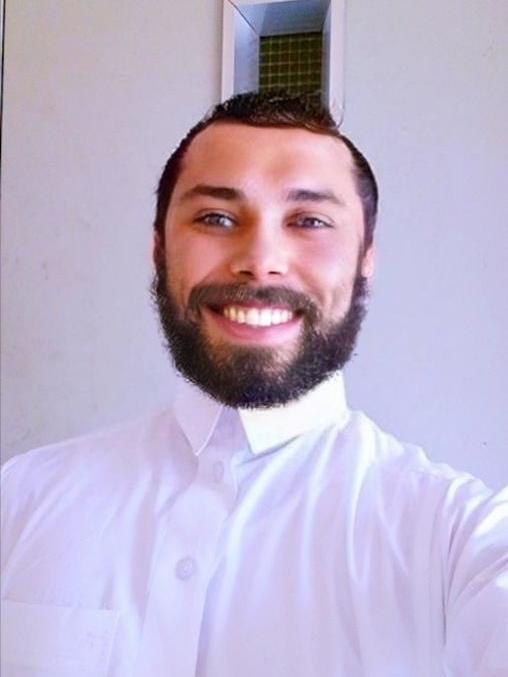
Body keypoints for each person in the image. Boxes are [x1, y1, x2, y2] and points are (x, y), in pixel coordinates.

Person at [1, 91, 507, 677]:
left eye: (309, 221)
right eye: (216, 218)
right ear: (158, 249)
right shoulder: (19, 500)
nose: (261, 259)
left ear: (365, 257)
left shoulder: (455, 537)